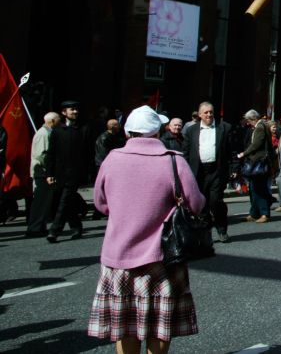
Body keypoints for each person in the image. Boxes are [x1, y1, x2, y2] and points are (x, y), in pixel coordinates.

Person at [87, 105, 204, 352]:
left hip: (119, 255)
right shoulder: (173, 160)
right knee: (159, 329)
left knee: (126, 328)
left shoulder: (113, 158)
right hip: (162, 258)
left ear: (128, 133)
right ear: (158, 132)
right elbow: (195, 204)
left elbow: (100, 202)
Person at [184, 102, 231, 243]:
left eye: (211, 112)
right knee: (201, 204)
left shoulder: (224, 128)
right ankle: (205, 232)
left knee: (215, 201)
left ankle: (222, 229)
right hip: (199, 172)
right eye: (206, 112)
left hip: (216, 170)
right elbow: (185, 153)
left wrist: (234, 169)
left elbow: (230, 151)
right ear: (199, 115)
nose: (209, 115)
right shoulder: (191, 130)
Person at [46, 100, 87, 242]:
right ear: (64, 113)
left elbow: (87, 153)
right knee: (65, 201)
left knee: (64, 201)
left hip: (75, 173)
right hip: (59, 173)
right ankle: (76, 227)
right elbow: (51, 154)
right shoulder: (57, 131)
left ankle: (54, 230)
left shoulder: (82, 129)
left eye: (76, 109)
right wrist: (49, 174)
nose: (75, 112)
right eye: (71, 109)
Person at [25, 111, 59, 237]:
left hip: (44, 173)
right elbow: (42, 155)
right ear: (53, 121)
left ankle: (40, 225)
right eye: (58, 120)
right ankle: (34, 228)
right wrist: (50, 169)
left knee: (45, 202)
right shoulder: (43, 134)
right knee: (40, 202)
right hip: (42, 173)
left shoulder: (47, 133)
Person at [238, 111, 273, 223]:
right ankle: (254, 213)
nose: (248, 123)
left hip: (259, 162)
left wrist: (244, 153)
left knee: (259, 188)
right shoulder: (260, 126)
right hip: (256, 161)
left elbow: (256, 144)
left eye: (248, 121)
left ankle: (264, 213)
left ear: (253, 119)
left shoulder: (260, 127)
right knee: (253, 189)